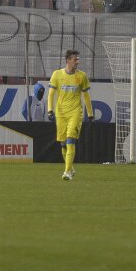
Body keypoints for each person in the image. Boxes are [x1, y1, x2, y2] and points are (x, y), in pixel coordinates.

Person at [46, 49, 93, 181]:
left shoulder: (81, 76)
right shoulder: (57, 74)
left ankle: (67, 172)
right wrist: (50, 110)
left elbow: (86, 96)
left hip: (75, 113)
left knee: (70, 140)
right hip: (61, 113)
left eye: (78, 59)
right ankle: (70, 168)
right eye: (75, 59)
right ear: (68, 61)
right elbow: (51, 94)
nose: (77, 62)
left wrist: (90, 113)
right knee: (63, 144)